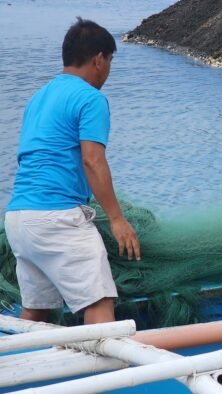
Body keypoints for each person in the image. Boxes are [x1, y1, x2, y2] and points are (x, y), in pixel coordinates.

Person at [4, 18, 140, 325]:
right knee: (99, 303)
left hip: (19, 219)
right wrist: (117, 220)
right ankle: (108, 376)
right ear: (98, 59)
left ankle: (22, 369)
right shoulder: (90, 98)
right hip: (58, 217)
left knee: (36, 313)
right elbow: (93, 161)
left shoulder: (39, 97)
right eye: (110, 61)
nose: (108, 70)